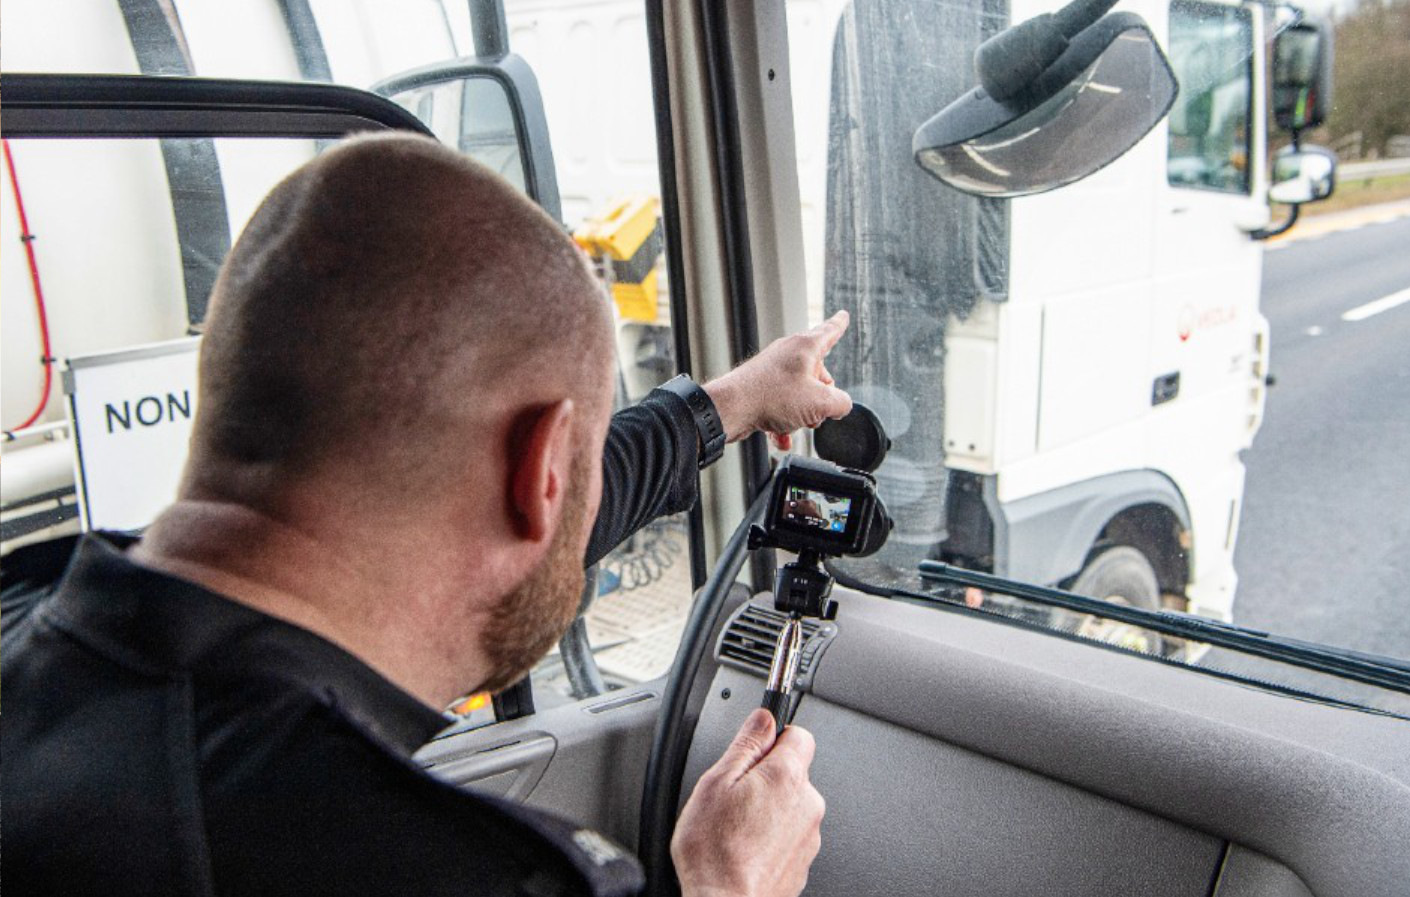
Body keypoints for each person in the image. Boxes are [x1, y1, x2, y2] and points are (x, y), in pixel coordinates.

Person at [1, 133, 851, 896]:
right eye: (579, 467)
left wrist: (737, 400)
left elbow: (543, 510)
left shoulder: (35, 633)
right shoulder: (466, 874)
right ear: (542, 474)